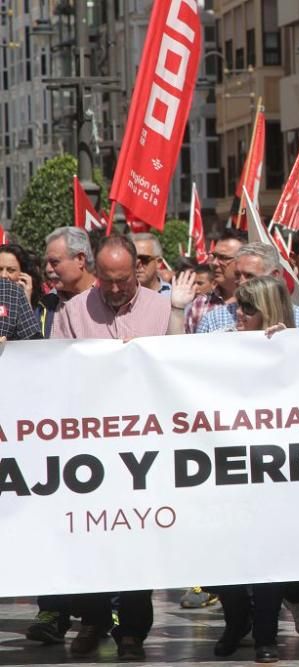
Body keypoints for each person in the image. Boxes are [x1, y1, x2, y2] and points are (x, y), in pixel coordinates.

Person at [50, 235, 170, 661]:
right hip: (90, 450)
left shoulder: (161, 309)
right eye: (107, 281)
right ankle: (93, 620)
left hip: (145, 449)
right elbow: (53, 369)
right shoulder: (74, 311)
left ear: (138, 269)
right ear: (95, 274)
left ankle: (133, 630)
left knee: (136, 538)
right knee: (90, 538)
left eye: (123, 280)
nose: (116, 289)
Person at [208, 274, 299, 663]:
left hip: (278, 471)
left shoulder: (296, 345)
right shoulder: (222, 343)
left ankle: (266, 634)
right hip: (226, 468)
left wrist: (294, 344)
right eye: (239, 306)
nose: (239, 315)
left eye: (249, 309)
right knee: (221, 562)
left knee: (272, 557)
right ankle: (238, 622)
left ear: (268, 311)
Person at [194, 243, 299, 333]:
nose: (241, 282)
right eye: (237, 275)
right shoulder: (213, 321)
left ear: (274, 276)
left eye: (250, 276)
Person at [177, 228, 246, 333]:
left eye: (223, 258)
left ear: (245, 260)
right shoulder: (199, 304)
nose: (214, 263)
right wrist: (177, 308)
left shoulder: (262, 303)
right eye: (214, 256)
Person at [43, 226, 97, 316]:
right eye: (47, 262)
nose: (48, 269)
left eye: (54, 262)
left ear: (80, 259)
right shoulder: (46, 306)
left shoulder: (109, 298)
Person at [0, 243, 45, 338]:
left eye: (11, 270)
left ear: (24, 274)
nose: (3, 275)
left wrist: (26, 299)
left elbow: (32, 339)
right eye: (0, 269)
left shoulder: (43, 305)